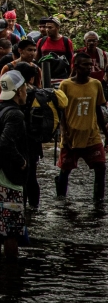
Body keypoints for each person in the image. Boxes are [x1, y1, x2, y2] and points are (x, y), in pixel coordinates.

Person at [0, 70, 30, 259]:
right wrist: (21, 162)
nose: (27, 92)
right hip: (8, 179)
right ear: (18, 91)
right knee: (11, 231)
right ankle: (12, 276)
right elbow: (6, 142)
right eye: (25, 88)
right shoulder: (15, 114)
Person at [55, 53, 108, 203]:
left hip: (92, 135)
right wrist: (64, 133)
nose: (89, 68)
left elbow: (98, 109)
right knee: (65, 170)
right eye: (85, 65)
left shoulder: (96, 84)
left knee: (100, 167)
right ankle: (61, 201)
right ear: (76, 66)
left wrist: (105, 132)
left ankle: (98, 202)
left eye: (90, 65)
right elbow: (62, 111)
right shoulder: (65, 85)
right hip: (71, 135)